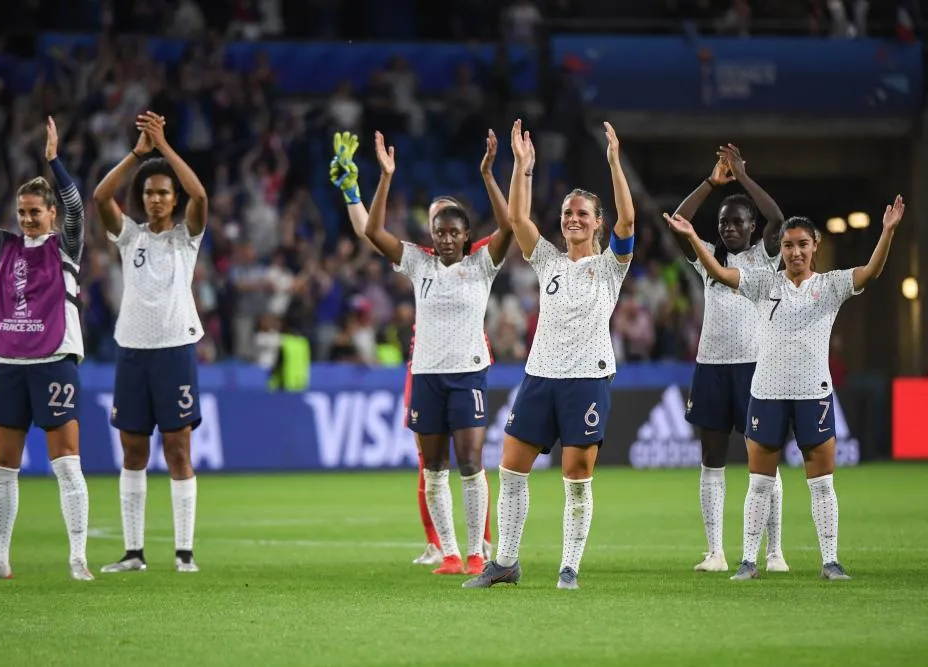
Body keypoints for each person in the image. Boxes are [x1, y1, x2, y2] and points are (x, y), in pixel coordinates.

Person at [666, 194, 905, 580]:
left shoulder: (830, 286)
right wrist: (694, 238)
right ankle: (747, 561)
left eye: (802, 245)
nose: (795, 252)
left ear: (815, 247)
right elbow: (722, 274)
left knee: (823, 483)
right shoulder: (764, 282)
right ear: (784, 248)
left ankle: (829, 561)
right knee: (759, 483)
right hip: (767, 393)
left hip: (815, 394)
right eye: (790, 245)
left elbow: (871, 271)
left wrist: (888, 232)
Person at [464, 119, 635, 590]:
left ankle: (569, 567)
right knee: (511, 467)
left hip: (586, 379)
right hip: (539, 376)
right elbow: (518, 221)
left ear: (596, 222)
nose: (572, 219)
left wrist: (615, 164)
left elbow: (629, 222)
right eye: (566, 213)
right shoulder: (549, 262)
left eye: (582, 213)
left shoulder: (610, 267)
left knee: (576, 476)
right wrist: (523, 167)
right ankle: (506, 562)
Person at [329, 130, 508, 566]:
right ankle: (445, 548)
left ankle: (476, 549)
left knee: (470, 461)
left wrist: (489, 173)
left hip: (468, 370)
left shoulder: (482, 261)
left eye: (452, 229)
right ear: (430, 232)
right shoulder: (417, 261)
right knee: (431, 466)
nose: (445, 236)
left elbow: (511, 226)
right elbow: (371, 231)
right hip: (425, 370)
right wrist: (380, 179)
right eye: (437, 228)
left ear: (466, 235)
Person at [0, 116, 92, 581]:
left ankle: (77, 558)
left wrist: (55, 162)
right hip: (8, 363)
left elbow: (77, 207)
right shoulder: (6, 246)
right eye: (22, 211)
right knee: (3, 470)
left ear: (50, 214)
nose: (28, 218)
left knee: (67, 466)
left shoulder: (66, 246)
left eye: (36, 211)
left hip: (53, 361)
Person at [93, 111, 209, 574]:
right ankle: (134, 553)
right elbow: (101, 195)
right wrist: (138, 154)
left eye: (163, 192)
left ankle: (184, 553)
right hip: (132, 351)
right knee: (133, 452)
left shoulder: (187, 238)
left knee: (177, 450)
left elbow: (200, 193)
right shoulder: (129, 236)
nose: (156, 198)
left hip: (176, 350)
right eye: (149, 192)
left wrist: (164, 147)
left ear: (173, 198)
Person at [669, 144, 789, 574]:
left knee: (765, 465)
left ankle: (774, 552)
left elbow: (777, 217)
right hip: (712, 368)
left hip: (758, 368)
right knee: (711, 461)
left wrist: (741, 177)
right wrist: (710, 183)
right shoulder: (709, 258)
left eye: (737, 222)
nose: (729, 228)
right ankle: (715, 552)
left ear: (752, 226)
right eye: (723, 223)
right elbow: (678, 223)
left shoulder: (765, 255)